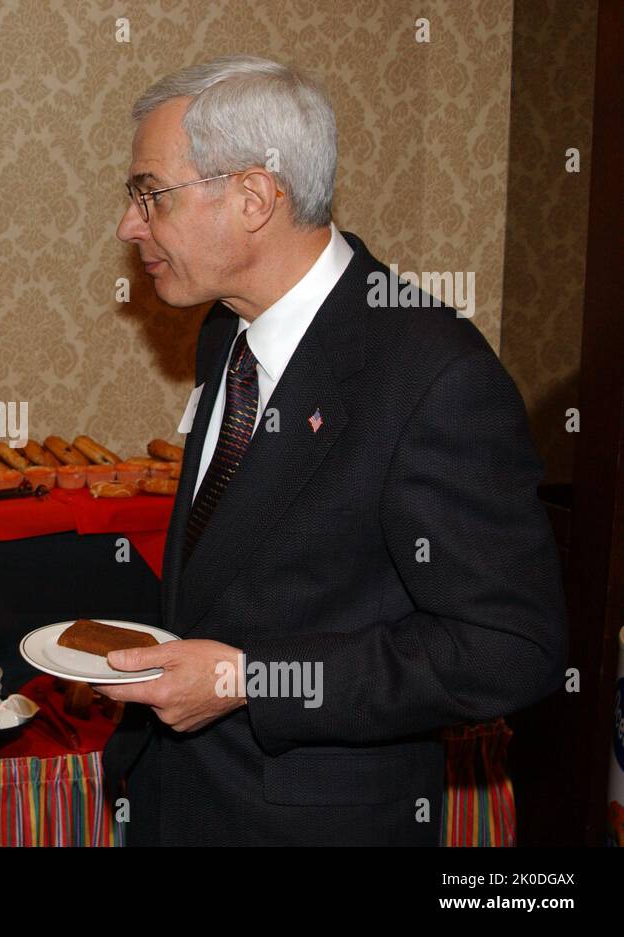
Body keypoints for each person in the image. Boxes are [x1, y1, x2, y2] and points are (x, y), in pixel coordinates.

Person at [98, 56, 567, 845]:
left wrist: (253, 680)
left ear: (253, 197)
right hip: (180, 803)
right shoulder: (227, 332)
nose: (128, 224)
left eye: (150, 194)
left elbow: (507, 649)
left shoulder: (432, 374)